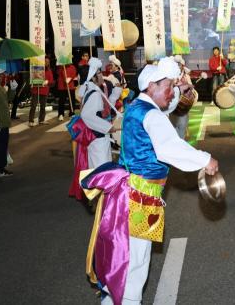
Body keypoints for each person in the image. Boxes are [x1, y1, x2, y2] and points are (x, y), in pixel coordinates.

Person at [81, 56, 219, 305]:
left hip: (127, 195)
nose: (172, 93)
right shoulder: (151, 115)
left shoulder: (136, 105)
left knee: (123, 259)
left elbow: (163, 105)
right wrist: (205, 160)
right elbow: (169, 147)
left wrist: (179, 90)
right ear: (153, 85)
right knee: (135, 264)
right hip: (140, 199)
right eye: (169, 87)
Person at [76, 57, 123, 169]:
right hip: (98, 140)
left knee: (100, 172)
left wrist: (116, 92)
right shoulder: (94, 93)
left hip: (98, 138)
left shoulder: (92, 90)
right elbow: (86, 115)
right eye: (99, 73)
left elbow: (104, 109)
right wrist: (107, 127)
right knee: (101, 173)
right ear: (93, 77)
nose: (102, 75)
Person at [169, 55, 196, 139]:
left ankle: (181, 144)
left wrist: (190, 90)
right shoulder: (170, 76)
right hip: (172, 107)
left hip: (182, 108)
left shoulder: (186, 77)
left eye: (179, 64)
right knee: (173, 128)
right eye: (176, 64)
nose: (177, 66)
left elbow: (192, 92)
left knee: (182, 127)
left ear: (182, 66)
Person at [29, 56, 55, 127]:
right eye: (45, 61)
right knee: (33, 106)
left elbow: (52, 81)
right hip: (36, 89)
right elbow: (32, 77)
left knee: (43, 106)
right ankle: (31, 120)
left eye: (48, 62)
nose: (46, 63)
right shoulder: (37, 69)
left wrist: (48, 81)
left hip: (44, 90)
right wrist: (32, 82)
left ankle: (41, 120)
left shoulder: (49, 71)